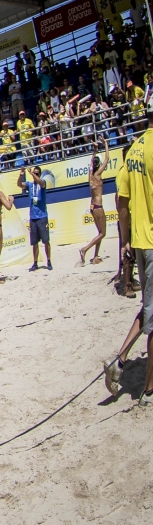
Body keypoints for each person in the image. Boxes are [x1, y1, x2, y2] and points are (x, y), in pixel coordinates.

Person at [116, 127, 153, 404]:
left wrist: (126, 241)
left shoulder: (135, 149)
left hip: (140, 241)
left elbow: (123, 204)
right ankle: (148, 391)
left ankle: (120, 360)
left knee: (149, 307)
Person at [79, 142, 111, 266]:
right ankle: (85, 249)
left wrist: (95, 150)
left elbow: (91, 162)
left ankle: (96, 256)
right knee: (103, 233)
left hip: (92, 207)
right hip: (98, 206)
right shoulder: (97, 175)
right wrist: (106, 144)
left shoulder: (90, 175)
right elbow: (107, 159)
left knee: (99, 233)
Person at [18, 165, 52, 270]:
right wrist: (21, 174)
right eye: (35, 173)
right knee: (34, 242)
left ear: (40, 174)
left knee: (46, 241)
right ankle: (35, 262)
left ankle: (49, 261)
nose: (35, 175)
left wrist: (32, 174)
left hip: (42, 216)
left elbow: (41, 183)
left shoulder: (43, 183)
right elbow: (19, 185)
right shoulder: (30, 184)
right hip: (33, 217)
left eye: (37, 173)